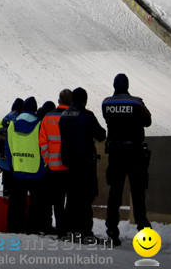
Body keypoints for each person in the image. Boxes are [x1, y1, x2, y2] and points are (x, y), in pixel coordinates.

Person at [101, 73, 152, 246]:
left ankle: (112, 229)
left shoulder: (106, 103)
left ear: (114, 85)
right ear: (127, 85)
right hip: (135, 152)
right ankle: (143, 229)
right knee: (137, 192)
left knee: (115, 192)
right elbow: (148, 121)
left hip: (115, 152)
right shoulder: (137, 103)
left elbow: (108, 119)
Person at [58, 87, 106, 242]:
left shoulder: (64, 116)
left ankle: (70, 230)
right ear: (85, 100)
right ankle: (85, 232)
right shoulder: (87, 115)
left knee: (71, 198)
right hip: (85, 163)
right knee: (86, 197)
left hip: (68, 163)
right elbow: (101, 134)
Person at [2, 97, 45, 234]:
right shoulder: (39, 124)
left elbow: (8, 149)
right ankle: (33, 227)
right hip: (35, 169)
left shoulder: (12, 125)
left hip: (18, 168)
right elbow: (43, 147)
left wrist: (11, 165)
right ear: (35, 109)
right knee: (35, 201)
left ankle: (14, 226)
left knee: (16, 201)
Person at [38, 89, 72, 237]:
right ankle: (70, 228)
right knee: (72, 200)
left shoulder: (47, 117)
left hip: (53, 167)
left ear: (59, 101)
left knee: (57, 201)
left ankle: (60, 230)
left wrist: (48, 159)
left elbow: (42, 143)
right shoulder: (74, 116)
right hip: (70, 166)